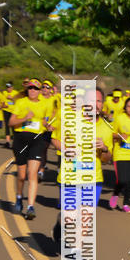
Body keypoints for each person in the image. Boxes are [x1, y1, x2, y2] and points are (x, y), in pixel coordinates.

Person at [50, 87, 113, 245]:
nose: (96, 104)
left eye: (99, 101)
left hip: (93, 178)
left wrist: (104, 148)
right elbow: (55, 139)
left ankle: (75, 249)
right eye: (92, 100)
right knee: (69, 218)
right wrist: (65, 149)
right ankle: (59, 225)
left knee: (86, 217)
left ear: (102, 104)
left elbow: (106, 158)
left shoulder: (106, 128)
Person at [9, 78, 53, 218]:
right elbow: (11, 122)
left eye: (35, 88)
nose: (32, 91)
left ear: (39, 91)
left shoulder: (45, 104)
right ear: (27, 90)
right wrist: (25, 119)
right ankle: (19, 197)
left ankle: (31, 207)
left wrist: (47, 126)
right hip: (21, 140)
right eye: (30, 88)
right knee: (21, 176)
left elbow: (44, 121)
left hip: (37, 140)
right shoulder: (21, 102)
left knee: (32, 173)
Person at [2, 81, 18, 148]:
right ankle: (7, 142)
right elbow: (2, 101)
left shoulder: (15, 93)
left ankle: (15, 142)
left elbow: (19, 102)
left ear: (12, 87)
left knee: (13, 127)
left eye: (9, 87)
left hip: (13, 111)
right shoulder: (4, 93)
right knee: (7, 126)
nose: (8, 89)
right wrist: (3, 105)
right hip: (6, 110)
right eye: (7, 87)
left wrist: (12, 98)